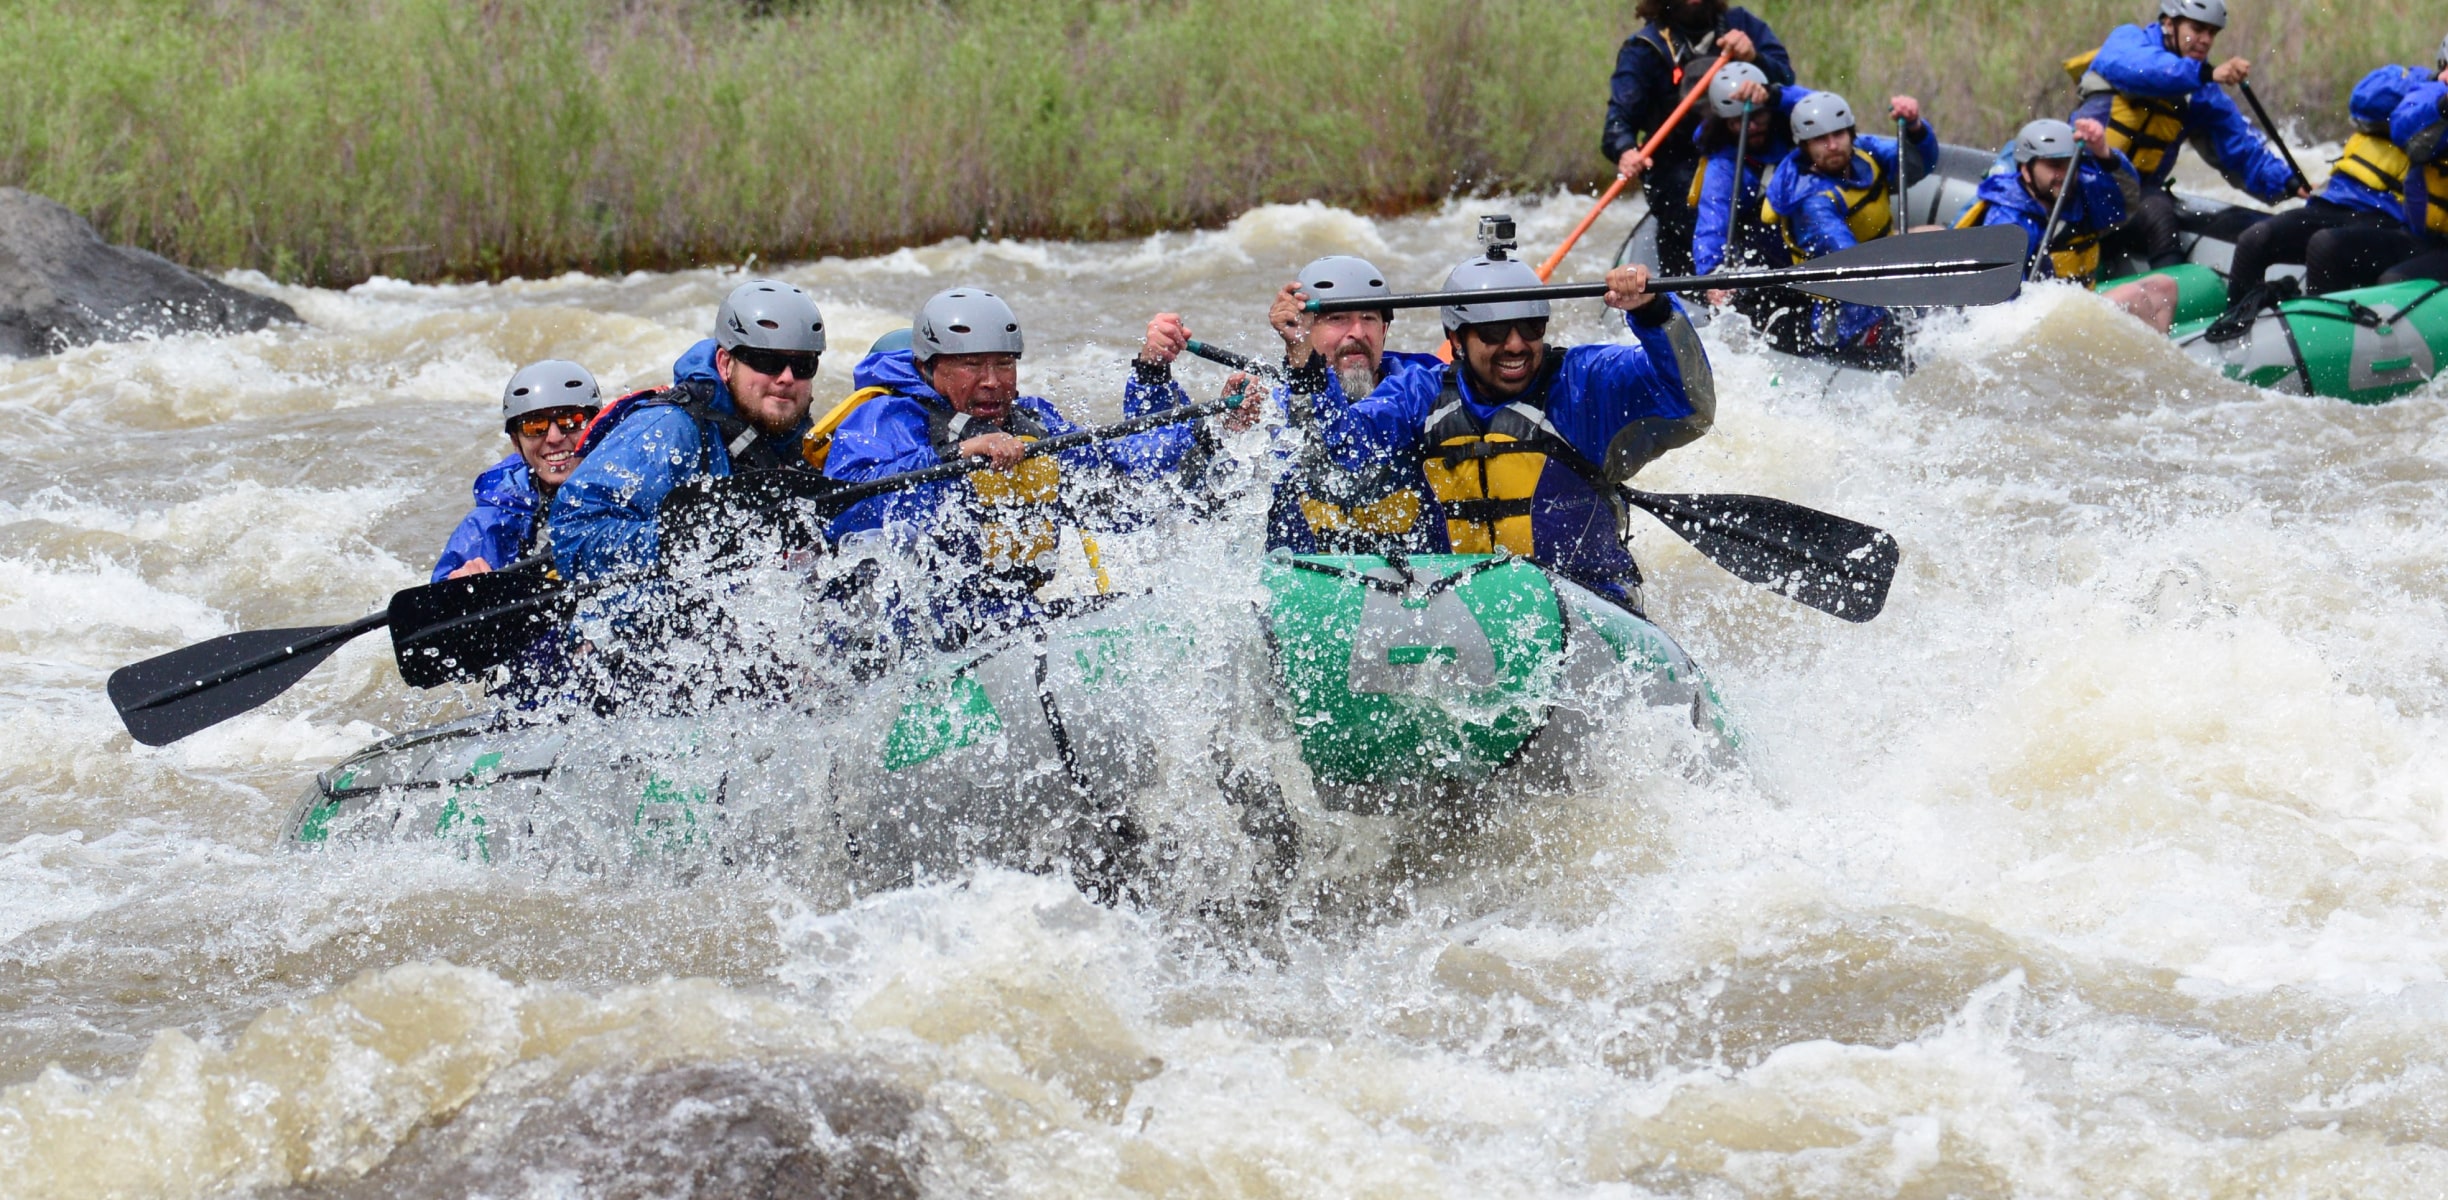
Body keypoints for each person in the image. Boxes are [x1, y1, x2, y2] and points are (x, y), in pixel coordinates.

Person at [823, 287, 1244, 638]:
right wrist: (957, 455)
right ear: (927, 368)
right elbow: (844, 514)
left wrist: (1187, 406)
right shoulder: (884, 419)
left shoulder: (1034, 423)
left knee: (1138, 613)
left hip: (1016, 622)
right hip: (922, 640)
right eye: (971, 364)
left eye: (1003, 363)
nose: (991, 381)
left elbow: (1133, 480)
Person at [1312, 254, 1715, 608]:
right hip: (1461, 612)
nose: (1516, 345)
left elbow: (1689, 405)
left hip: (1590, 605)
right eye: (1493, 332)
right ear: (1456, 339)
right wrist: (1302, 368)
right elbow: (1340, 450)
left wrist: (1654, 312)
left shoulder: (1584, 385)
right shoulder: (1420, 395)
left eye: (1531, 327)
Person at [1132, 255, 1444, 553]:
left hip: (1421, 589)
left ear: (1385, 330)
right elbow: (1163, 479)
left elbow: (1347, 445)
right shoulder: (1273, 410)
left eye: (1368, 319)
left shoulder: (1421, 388)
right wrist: (1157, 378)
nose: (1357, 333)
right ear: (1306, 329)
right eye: (1337, 319)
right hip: (1304, 591)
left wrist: (1303, 361)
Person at [548, 279, 828, 580]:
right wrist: (686, 543)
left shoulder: (806, 442)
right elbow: (574, 533)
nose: (786, 377)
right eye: (766, 361)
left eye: (802, 365)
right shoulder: (668, 429)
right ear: (725, 363)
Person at [2065, 0, 2308, 270]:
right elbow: (2146, 70)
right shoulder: (2128, 41)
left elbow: (2241, 150)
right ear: (2169, 23)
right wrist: (2208, 73)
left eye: (2212, 33)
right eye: (2197, 29)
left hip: (2133, 195)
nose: (2205, 40)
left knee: (2159, 213)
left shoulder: (2202, 92)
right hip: (2080, 181)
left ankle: (2169, 298)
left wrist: (2289, 183)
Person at [2207, 63, 2428, 332]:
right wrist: (2423, 87)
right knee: (2254, 239)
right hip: (2335, 204)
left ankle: (2319, 343)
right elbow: (2365, 99)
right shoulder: (2420, 90)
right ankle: (2231, 335)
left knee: (2324, 246)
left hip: (2387, 219)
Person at [1603, 0, 1794, 276]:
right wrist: (1625, 150)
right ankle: (1711, 279)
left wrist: (1755, 58)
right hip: (1676, 167)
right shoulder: (1644, 48)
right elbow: (1619, 120)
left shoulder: (1741, 25)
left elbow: (1786, 81)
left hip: (1746, 154)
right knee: (1698, 209)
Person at [1760, 90, 1939, 367]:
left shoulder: (1863, 153)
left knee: (1936, 236)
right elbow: (1852, 263)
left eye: (1838, 135)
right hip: (1845, 310)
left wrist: (1915, 129)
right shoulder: (1810, 202)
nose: (1832, 145)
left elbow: (1915, 164)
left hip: (1878, 268)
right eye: (1821, 139)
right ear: (1804, 146)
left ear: (1851, 134)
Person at [1958, 119, 2180, 334]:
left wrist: (2104, 154)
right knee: (2134, 296)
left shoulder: (2080, 196)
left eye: (2068, 165)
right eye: (2054, 166)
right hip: (2036, 326)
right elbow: (2002, 313)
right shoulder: (2008, 222)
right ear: (2026, 171)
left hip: (2077, 308)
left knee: (2164, 287)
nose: (2063, 176)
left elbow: (2126, 200)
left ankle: (2150, 365)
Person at [1686, 62, 1820, 352]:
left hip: (1814, 240)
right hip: (1771, 256)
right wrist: (1712, 273)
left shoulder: (1793, 130)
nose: (1752, 126)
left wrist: (1774, 96)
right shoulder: (1724, 166)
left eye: (1759, 116)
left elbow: (1820, 108)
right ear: (1725, 123)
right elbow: (1713, 221)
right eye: (1737, 122)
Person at [432, 359, 602, 581]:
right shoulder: (494, 518)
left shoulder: (629, 485)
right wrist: (459, 588)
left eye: (570, 420)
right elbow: (437, 597)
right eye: (534, 426)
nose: (554, 438)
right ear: (516, 441)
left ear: (597, 426)